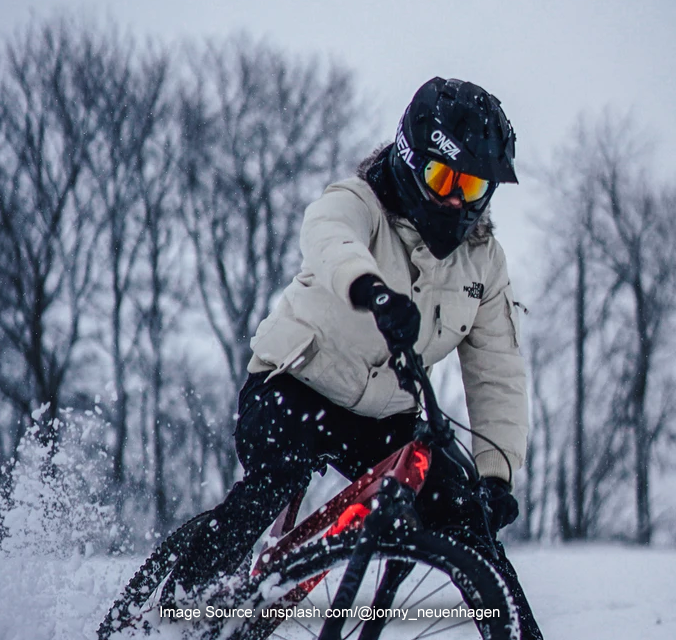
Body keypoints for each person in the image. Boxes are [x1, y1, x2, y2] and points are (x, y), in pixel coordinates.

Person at [168, 77, 541, 637]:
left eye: (472, 186)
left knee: (470, 522)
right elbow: (329, 239)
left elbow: (497, 369)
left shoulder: (483, 261)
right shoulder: (359, 201)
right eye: (442, 178)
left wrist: (496, 474)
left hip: (384, 419)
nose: (455, 201)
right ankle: (174, 607)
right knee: (274, 482)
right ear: (411, 161)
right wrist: (373, 292)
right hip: (295, 385)